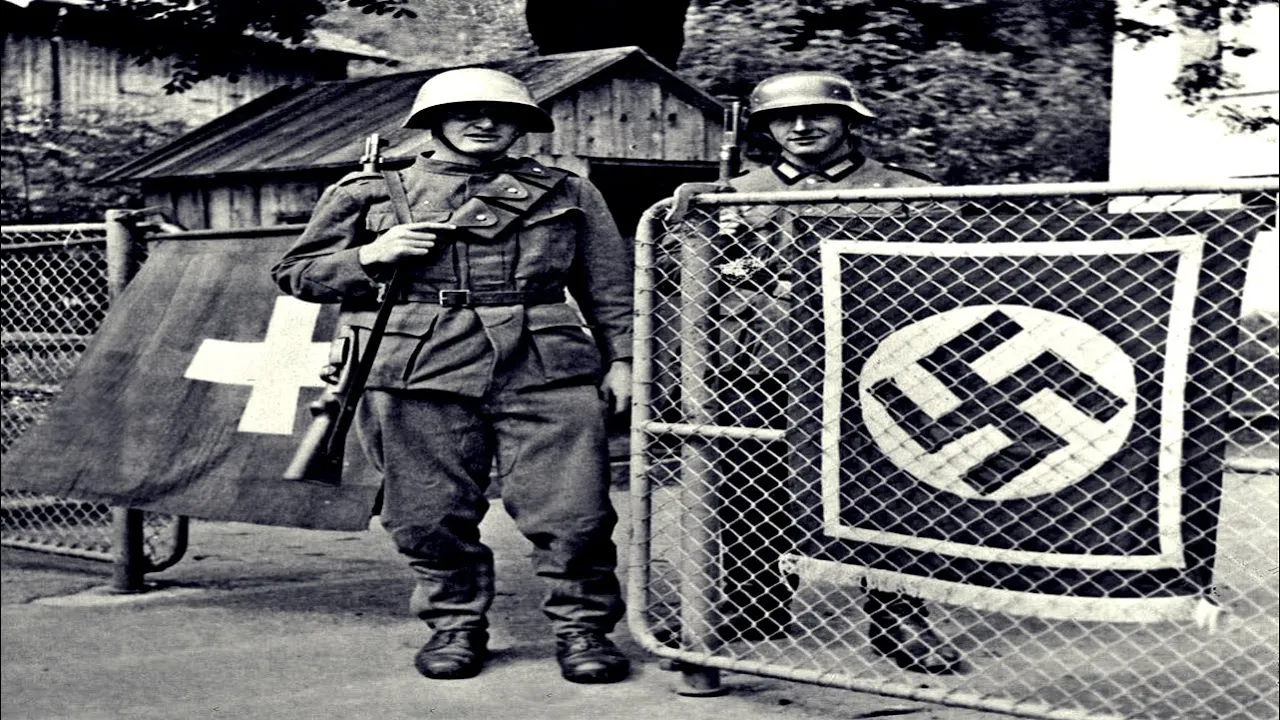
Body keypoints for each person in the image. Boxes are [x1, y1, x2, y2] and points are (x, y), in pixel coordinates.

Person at [271, 68, 634, 684]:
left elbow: (610, 286)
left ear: (523, 125)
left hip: (544, 363)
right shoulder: (370, 190)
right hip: (417, 365)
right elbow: (296, 273)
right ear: (433, 121)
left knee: (574, 514)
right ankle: (455, 625)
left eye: (501, 113)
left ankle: (583, 629)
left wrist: (622, 359)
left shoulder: (567, 191)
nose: (484, 122)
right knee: (426, 514)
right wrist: (370, 255)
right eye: (466, 111)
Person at [710, 71, 962, 674]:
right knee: (751, 483)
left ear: (851, 120)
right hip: (762, 363)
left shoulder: (907, 192)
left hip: (872, 365)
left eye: (818, 114)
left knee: (888, 486)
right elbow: (694, 278)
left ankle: (898, 617)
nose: (800, 127)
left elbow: (947, 281)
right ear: (766, 128)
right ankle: (754, 603)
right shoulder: (731, 195)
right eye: (783, 117)